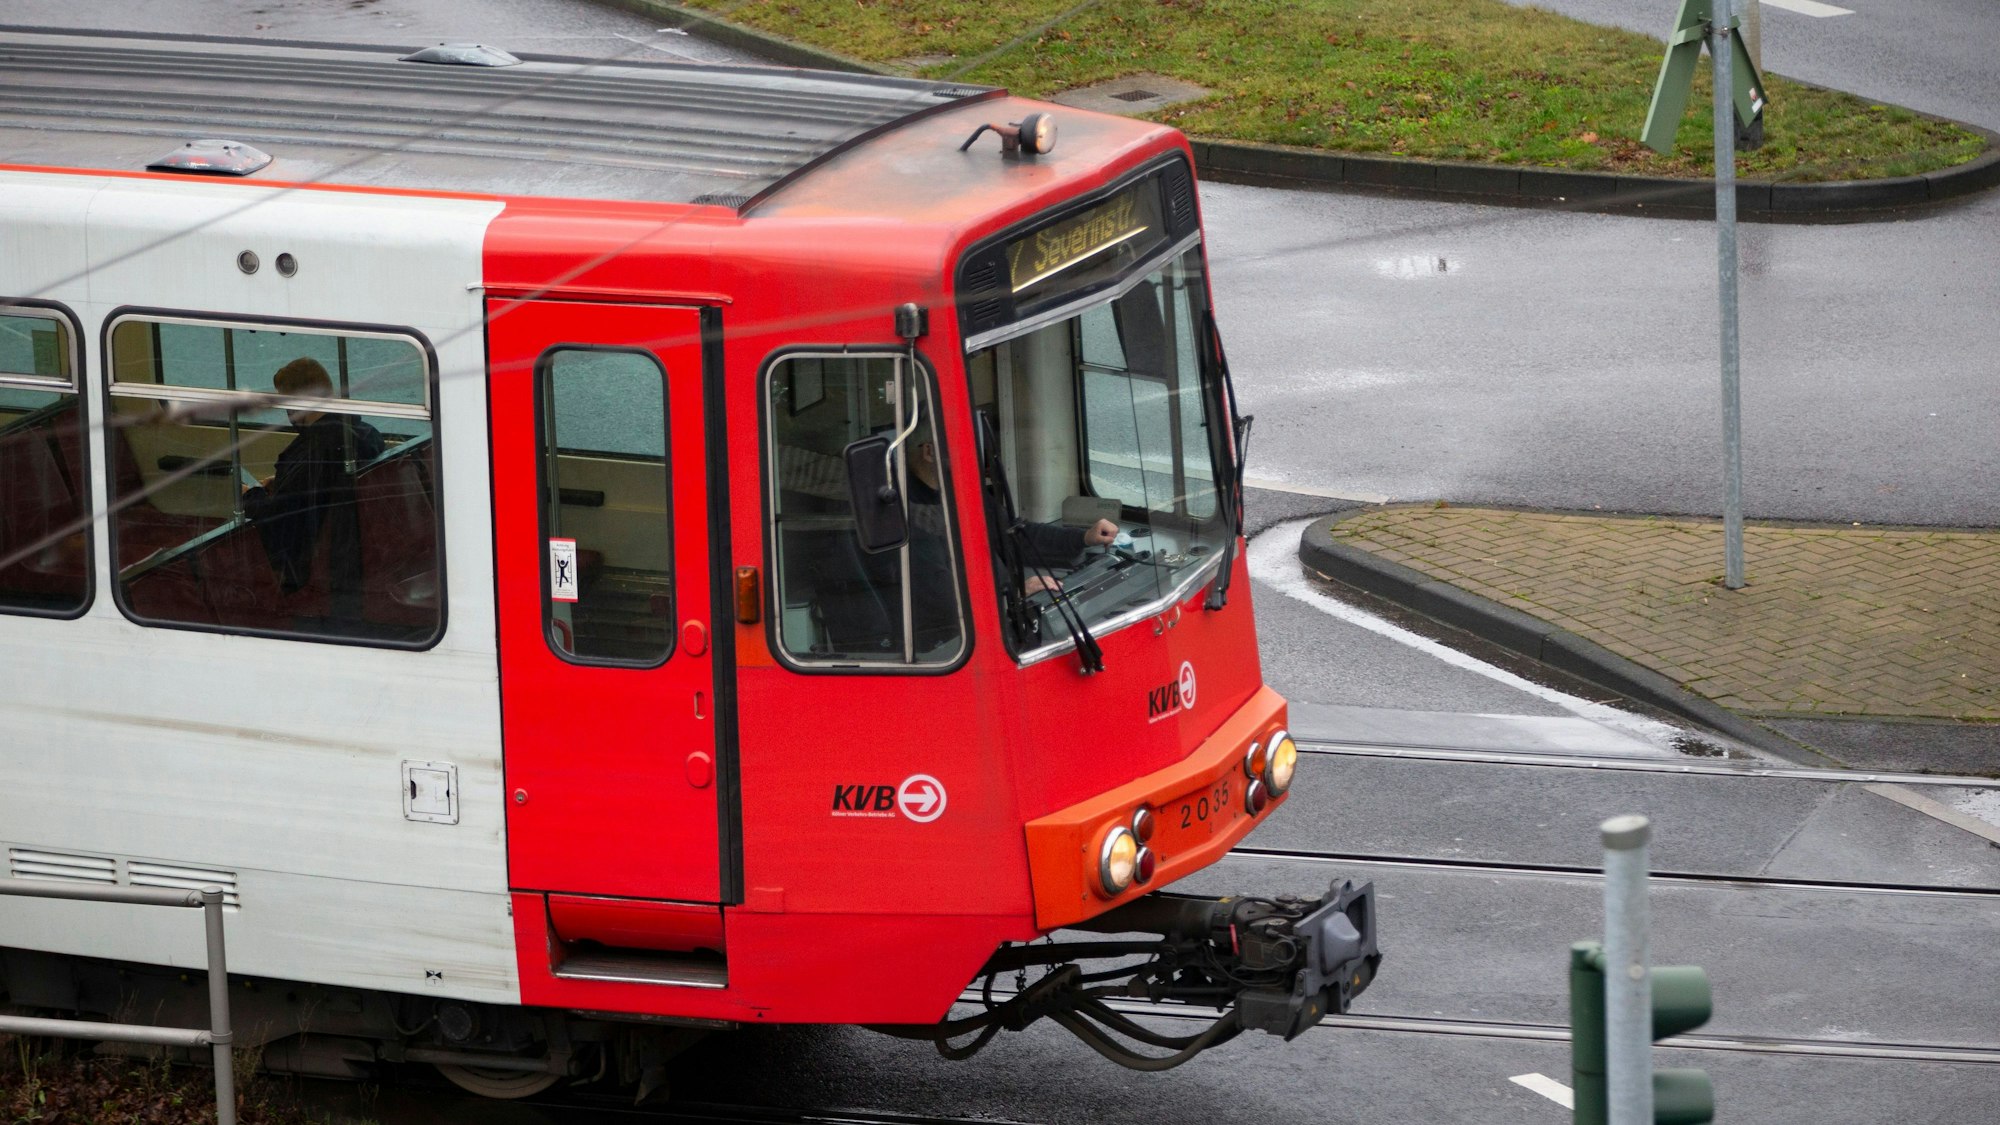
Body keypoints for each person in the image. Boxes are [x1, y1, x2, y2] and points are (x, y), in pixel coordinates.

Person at [241, 357, 382, 622]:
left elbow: (281, 516)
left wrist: (252, 495)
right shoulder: (363, 433)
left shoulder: (314, 451)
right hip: (353, 551)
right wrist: (282, 478)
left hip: (312, 558)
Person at [907, 427, 1115, 594]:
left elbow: (1013, 534)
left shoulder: (961, 490)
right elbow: (936, 590)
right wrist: (1014, 593)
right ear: (930, 451)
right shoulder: (907, 511)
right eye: (960, 444)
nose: (969, 454)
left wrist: (1084, 538)